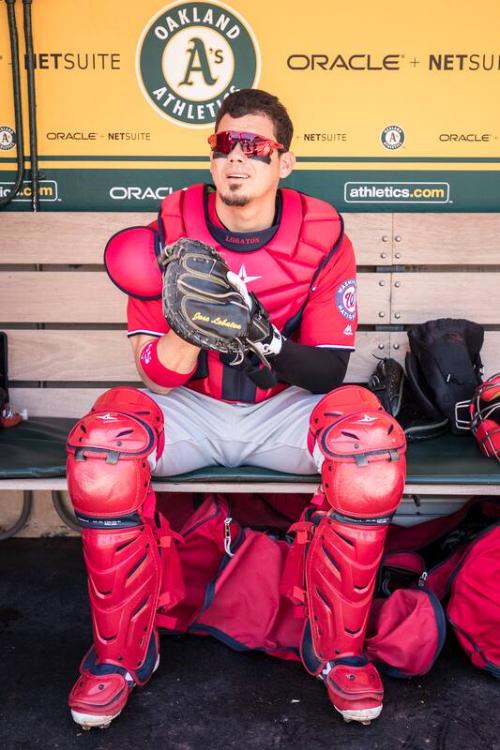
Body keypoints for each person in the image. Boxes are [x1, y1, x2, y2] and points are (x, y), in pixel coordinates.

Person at [65, 89, 406, 730]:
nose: (237, 158)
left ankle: (340, 652)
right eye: (225, 144)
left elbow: (329, 369)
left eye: (255, 147)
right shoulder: (171, 223)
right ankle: (118, 658)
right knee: (103, 450)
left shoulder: (323, 230)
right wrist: (190, 328)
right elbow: (155, 372)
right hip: (193, 406)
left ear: (285, 162)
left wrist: (259, 335)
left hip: (283, 409)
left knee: (370, 450)